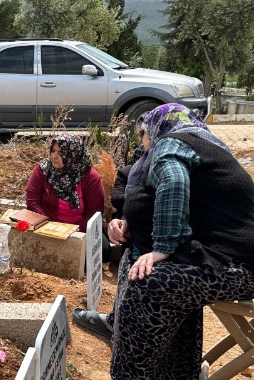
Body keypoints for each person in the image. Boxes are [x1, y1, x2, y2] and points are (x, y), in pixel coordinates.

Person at [95, 103, 254, 379]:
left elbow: (174, 180)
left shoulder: (170, 143)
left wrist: (163, 248)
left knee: (147, 281)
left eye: (143, 136)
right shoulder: (200, 144)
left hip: (237, 268)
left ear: (155, 130)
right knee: (162, 276)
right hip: (228, 260)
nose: (143, 144)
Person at [25, 134, 110, 260]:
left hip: (79, 229)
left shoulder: (91, 177)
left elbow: (94, 214)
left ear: (73, 155)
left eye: (61, 153)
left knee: (102, 251)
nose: (54, 156)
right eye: (53, 151)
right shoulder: (43, 170)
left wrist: (71, 231)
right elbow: (32, 202)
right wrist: (48, 225)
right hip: (47, 226)